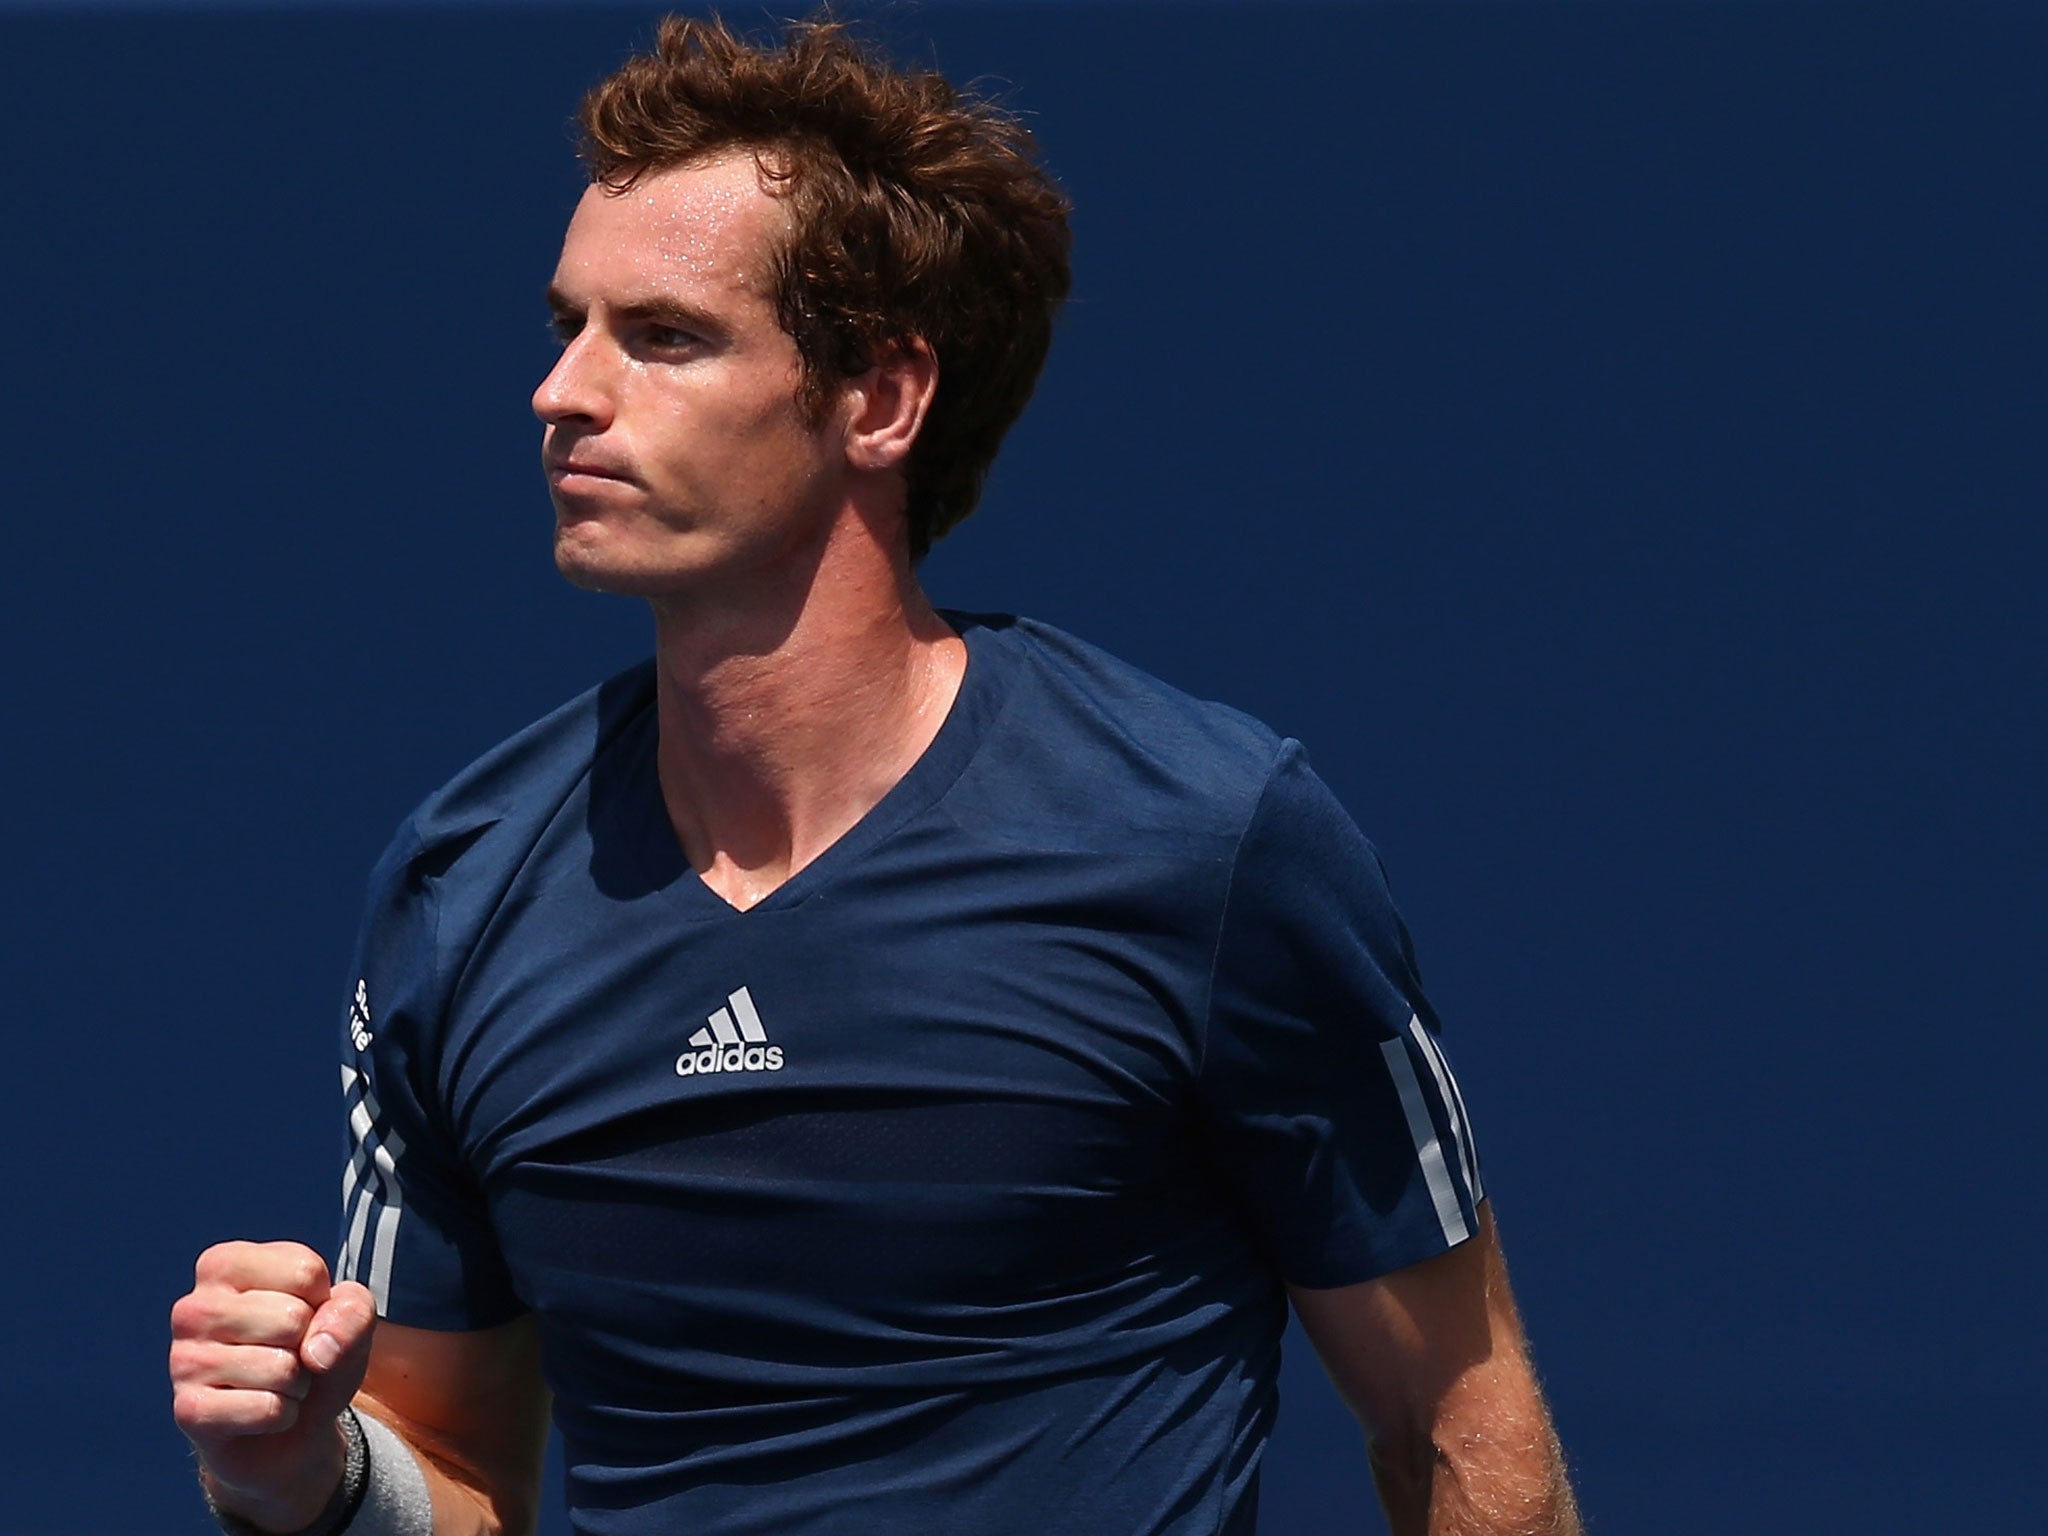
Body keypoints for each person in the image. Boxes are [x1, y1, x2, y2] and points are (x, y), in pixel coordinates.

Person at [169, 16, 1580, 1536]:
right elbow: (449, 1469)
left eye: (661, 336)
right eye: (567, 325)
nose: (561, 393)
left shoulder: (1204, 839)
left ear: (879, 401)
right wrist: (306, 1477)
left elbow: (1459, 1419)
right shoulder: (459, 891)